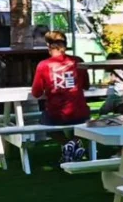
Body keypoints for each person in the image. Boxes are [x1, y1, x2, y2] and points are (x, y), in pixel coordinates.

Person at [31, 31, 90, 162]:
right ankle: (75, 142)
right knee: (86, 120)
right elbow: (86, 85)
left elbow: (36, 93)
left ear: (48, 46)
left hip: (56, 114)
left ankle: (67, 143)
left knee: (44, 122)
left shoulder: (43, 65)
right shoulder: (78, 61)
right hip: (80, 113)